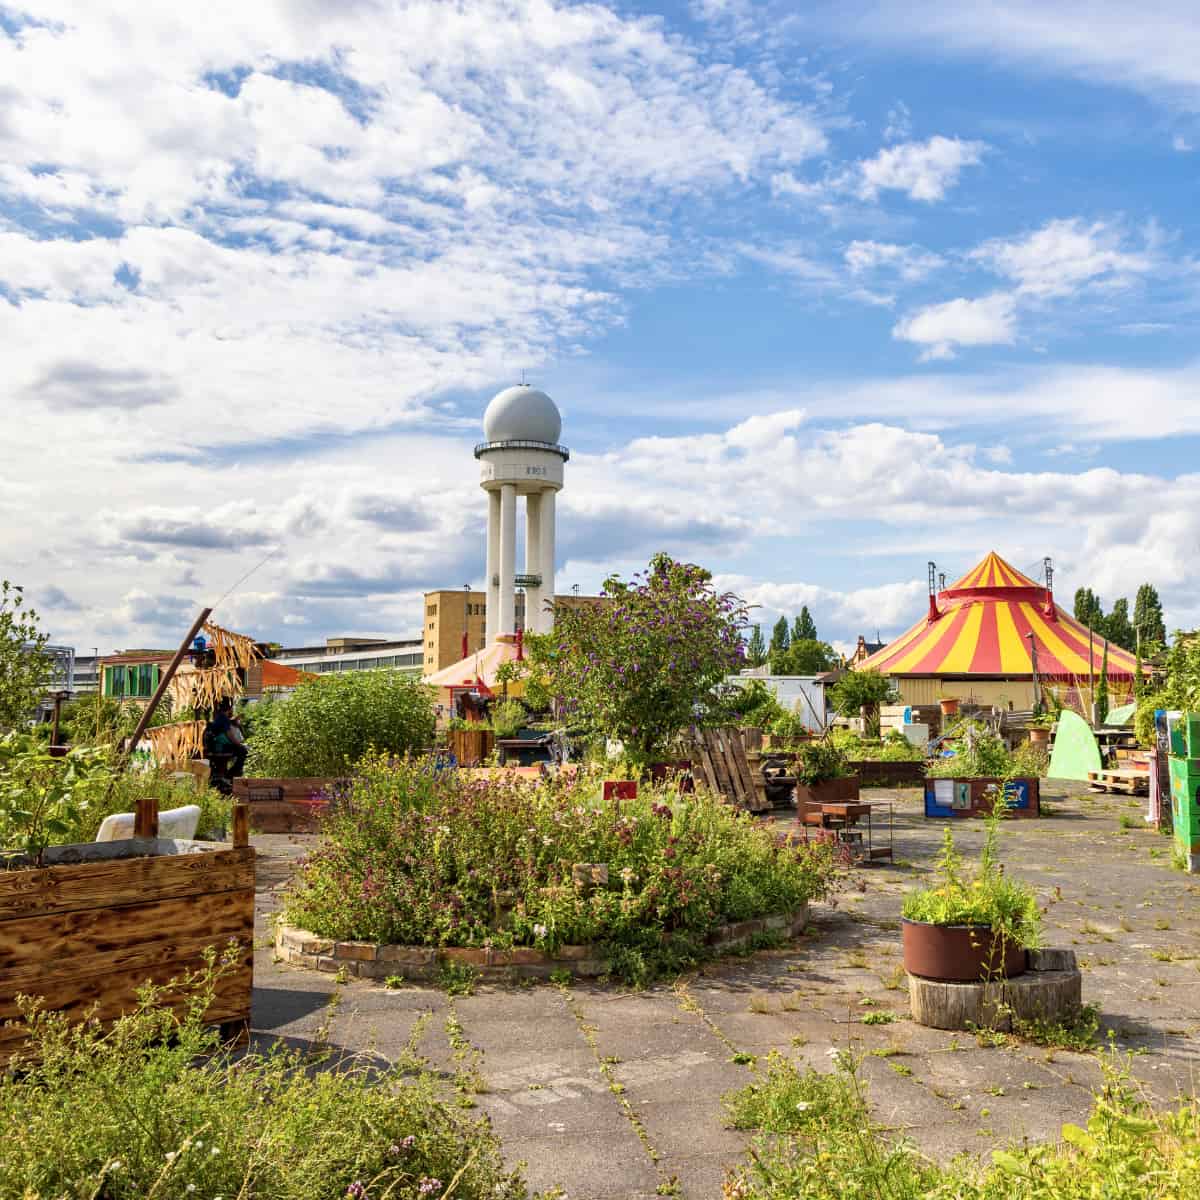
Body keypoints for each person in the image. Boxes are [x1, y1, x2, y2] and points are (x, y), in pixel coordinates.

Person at [206, 697, 247, 779]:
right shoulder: (224, 719)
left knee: (239, 748)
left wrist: (235, 720)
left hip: (215, 745)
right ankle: (232, 774)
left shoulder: (220, 717)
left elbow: (228, 724)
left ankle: (229, 774)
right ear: (229, 708)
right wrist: (239, 745)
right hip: (219, 747)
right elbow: (230, 735)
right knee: (243, 751)